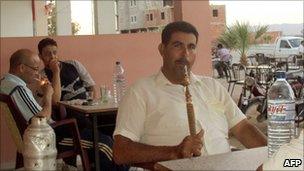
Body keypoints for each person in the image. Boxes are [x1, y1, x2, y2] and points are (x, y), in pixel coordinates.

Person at [113, 21, 267, 169]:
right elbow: (121, 152)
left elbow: (242, 128)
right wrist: (174, 152)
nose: (185, 54)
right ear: (162, 49)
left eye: (191, 47)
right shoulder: (141, 91)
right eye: (177, 45)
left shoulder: (212, 86)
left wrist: (277, 157)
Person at [0, 49, 128, 170]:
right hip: (50, 137)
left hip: (43, 133)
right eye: (34, 69)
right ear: (22, 68)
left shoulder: (6, 82)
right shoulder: (18, 89)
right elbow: (40, 120)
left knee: (100, 128)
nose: (36, 73)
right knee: (104, 144)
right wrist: (48, 95)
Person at [37, 38, 97, 104]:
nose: (52, 56)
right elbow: (55, 101)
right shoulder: (42, 76)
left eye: (54, 52)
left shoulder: (74, 64)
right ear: (40, 56)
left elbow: (91, 87)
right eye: (47, 54)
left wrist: (92, 104)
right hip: (67, 110)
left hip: (86, 105)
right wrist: (56, 72)